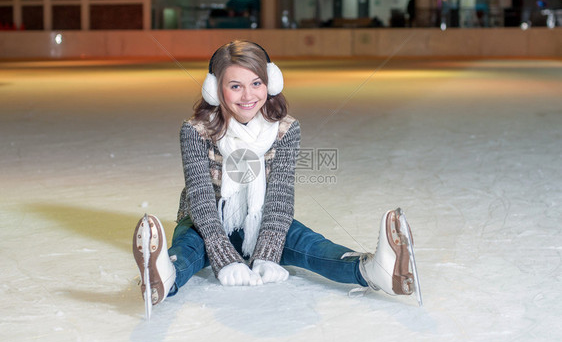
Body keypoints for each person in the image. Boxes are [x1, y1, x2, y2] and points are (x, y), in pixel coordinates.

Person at [132, 40, 421, 311]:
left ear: (270, 82)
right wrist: (224, 257)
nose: (248, 96)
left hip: (266, 220)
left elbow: (280, 195)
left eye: (256, 83)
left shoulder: (285, 129)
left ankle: (373, 271)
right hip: (205, 222)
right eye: (235, 86)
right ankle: (165, 276)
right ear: (214, 89)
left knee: (309, 244)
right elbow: (201, 199)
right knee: (188, 248)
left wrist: (268, 253)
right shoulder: (196, 131)